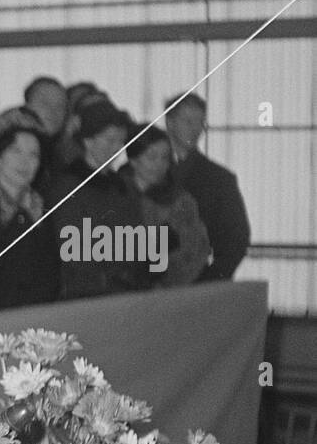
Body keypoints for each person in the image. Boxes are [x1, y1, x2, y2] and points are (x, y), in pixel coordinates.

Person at [50, 99, 150, 300]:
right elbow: (73, 251)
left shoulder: (125, 185)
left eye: (120, 141)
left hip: (126, 290)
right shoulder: (68, 186)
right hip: (85, 294)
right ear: (88, 141)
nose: (116, 148)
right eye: (109, 140)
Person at [0, 107, 59, 311]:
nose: (25, 162)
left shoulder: (39, 207)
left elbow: (50, 275)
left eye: (33, 155)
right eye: (15, 151)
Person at [163, 91, 251, 281]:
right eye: (188, 121)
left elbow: (236, 238)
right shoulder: (142, 172)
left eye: (200, 122)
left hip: (201, 279)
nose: (195, 129)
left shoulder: (219, 179)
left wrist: (212, 278)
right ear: (169, 123)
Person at [121, 125, 211, 288]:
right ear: (133, 160)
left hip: (171, 293)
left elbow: (196, 249)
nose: (159, 165)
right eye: (152, 157)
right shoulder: (114, 197)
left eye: (164, 158)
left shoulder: (181, 201)